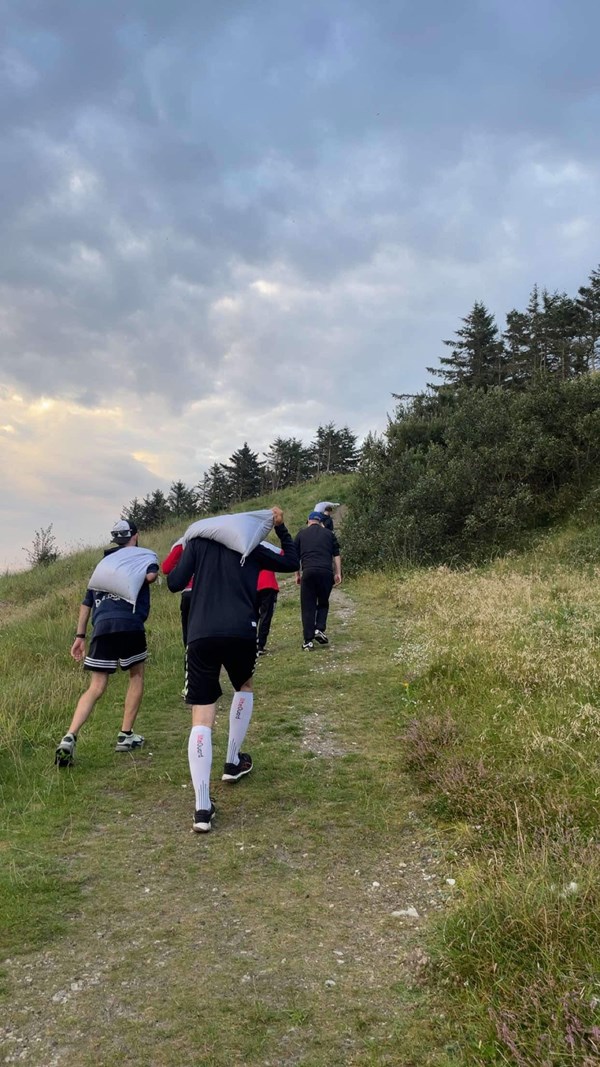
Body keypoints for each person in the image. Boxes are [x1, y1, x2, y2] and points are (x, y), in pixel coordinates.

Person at [166, 506, 299, 834]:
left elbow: (174, 583)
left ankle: (201, 807)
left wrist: (185, 543)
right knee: (244, 685)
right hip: (241, 631)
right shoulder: (252, 543)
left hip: (201, 635)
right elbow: (291, 560)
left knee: (202, 717)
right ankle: (233, 760)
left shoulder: (198, 543)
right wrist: (281, 529)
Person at [54, 520, 159, 767]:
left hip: (101, 626)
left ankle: (69, 736)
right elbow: (152, 576)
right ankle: (126, 735)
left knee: (96, 686)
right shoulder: (143, 556)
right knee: (136, 675)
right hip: (130, 624)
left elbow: (86, 602)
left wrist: (80, 636)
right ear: (136, 535)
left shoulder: (102, 565)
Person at [294, 511, 342, 651]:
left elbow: (295, 558)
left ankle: (308, 641)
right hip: (326, 572)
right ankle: (319, 629)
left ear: (308, 521)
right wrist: (338, 573)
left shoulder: (301, 535)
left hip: (308, 572)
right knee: (323, 602)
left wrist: (297, 575)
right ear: (321, 522)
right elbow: (336, 555)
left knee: (308, 605)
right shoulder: (329, 534)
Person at [256, 568, 279, 655]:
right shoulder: (270, 553)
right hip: (268, 583)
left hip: (252, 583)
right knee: (266, 615)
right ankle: (260, 645)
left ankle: (251, 643)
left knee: (252, 616)